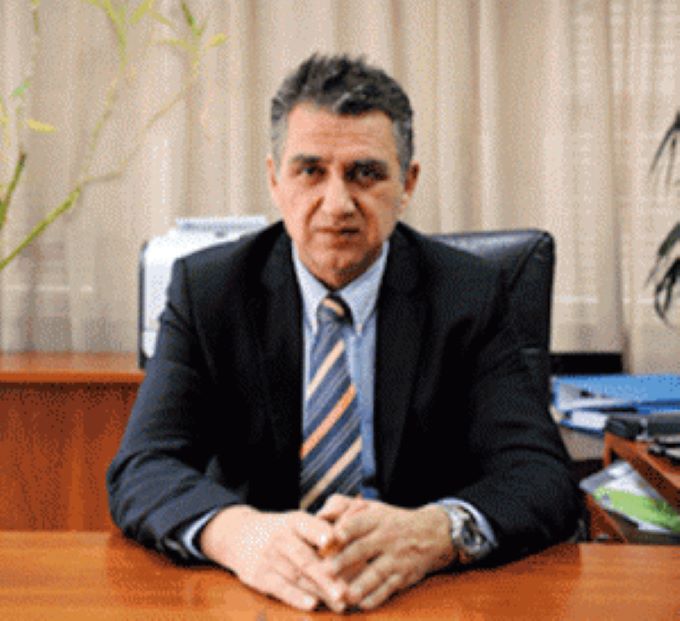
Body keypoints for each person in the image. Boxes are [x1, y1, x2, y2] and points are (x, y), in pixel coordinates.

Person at [107, 53, 580, 613]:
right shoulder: (210, 292)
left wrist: (436, 532)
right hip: (255, 593)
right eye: (311, 171)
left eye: (365, 174)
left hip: (417, 594)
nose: (337, 206)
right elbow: (144, 466)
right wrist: (238, 535)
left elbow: (541, 475)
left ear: (407, 183)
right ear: (275, 179)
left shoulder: (467, 294)